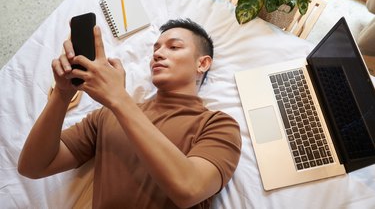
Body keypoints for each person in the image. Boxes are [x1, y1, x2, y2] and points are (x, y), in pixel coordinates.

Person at [18, 18, 241, 208]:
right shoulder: (107, 115)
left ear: (202, 63)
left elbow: (190, 188)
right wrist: (62, 94)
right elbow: (33, 167)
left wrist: (119, 99)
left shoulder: (219, 125)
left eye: (174, 47)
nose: (158, 54)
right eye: (156, 49)